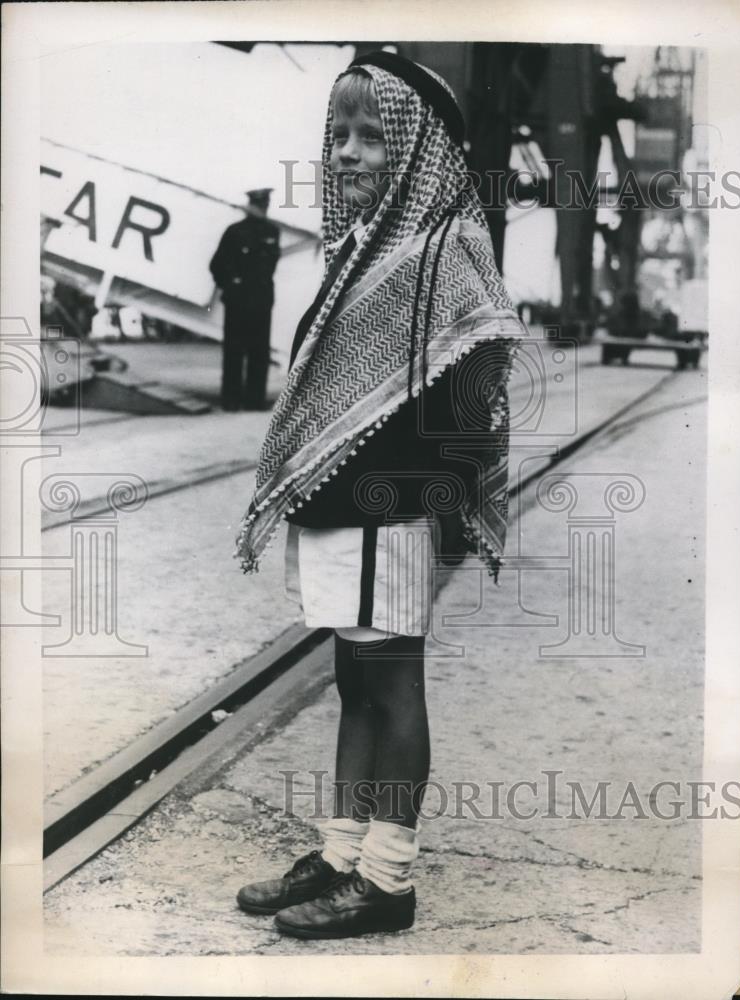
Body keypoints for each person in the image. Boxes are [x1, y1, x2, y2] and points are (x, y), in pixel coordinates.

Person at [233, 51, 529, 939]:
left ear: (420, 148)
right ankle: (340, 854)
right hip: (340, 509)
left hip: (384, 509)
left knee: (393, 689)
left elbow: (475, 386)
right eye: (339, 135)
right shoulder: (366, 248)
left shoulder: (446, 248)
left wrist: (435, 508)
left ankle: (387, 880)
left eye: (373, 135)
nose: (349, 152)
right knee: (353, 683)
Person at [209, 187, 280, 410]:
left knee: (260, 352)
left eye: (264, 205)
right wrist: (230, 285)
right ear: (250, 206)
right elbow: (216, 265)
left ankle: (254, 400)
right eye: (259, 205)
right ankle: (231, 400)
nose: (262, 209)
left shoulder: (272, 231)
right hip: (238, 301)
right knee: (234, 351)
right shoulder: (234, 232)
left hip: (261, 300)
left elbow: (270, 265)